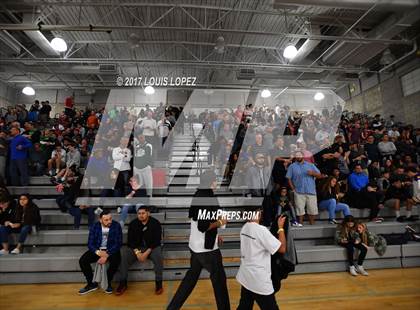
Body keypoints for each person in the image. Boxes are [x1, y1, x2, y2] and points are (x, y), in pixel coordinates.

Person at [167, 170, 230, 310]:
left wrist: (215, 234)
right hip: (206, 250)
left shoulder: (199, 195)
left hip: (197, 247)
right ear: (209, 181)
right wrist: (221, 223)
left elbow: (199, 222)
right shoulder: (207, 198)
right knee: (220, 282)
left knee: (189, 281)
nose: (216, 182)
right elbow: (203, 226)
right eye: (214, 179)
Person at [236, 212, 286, 310]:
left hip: (246, 276)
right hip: (259, 280)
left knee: (244, 306)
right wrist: (280, 228)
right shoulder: (261, 230)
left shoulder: (245, 227)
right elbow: (282, 248)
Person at [116, 205, 163, 296]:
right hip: (137, 248)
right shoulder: (133, 224)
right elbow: (130, 241)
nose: (141, 215)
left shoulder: (155, 223)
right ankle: (123, 283)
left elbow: (157, 240)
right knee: (123, 255)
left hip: (151, 248)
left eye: (143, 213)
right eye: (139, 213)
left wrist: (146, 253)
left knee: (158, 256)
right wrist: (137, 253)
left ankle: (158, 283)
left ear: (148, 213)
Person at [78, 210, 122, 295]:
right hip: (98, 249)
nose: (109, 221)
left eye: (110, 219)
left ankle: (108, 282)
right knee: (83, 261)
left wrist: (107, 254)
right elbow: (90, 243)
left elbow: (118, 243)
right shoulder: (95, 226)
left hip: (111, 250)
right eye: (106, 220)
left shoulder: (116, 225)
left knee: (116, 261)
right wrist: (98, 253)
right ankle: (91, 284)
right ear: (100, 220)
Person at [286, 151, 323, 225]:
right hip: (298, 191)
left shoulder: (311, 165)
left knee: (312, 210)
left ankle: (312, 225)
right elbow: (288, 178)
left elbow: (320, 175)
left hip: (311, 191)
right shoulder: (292, 166)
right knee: (300, 210)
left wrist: (313, 173)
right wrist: (293, 189)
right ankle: (300, 224)